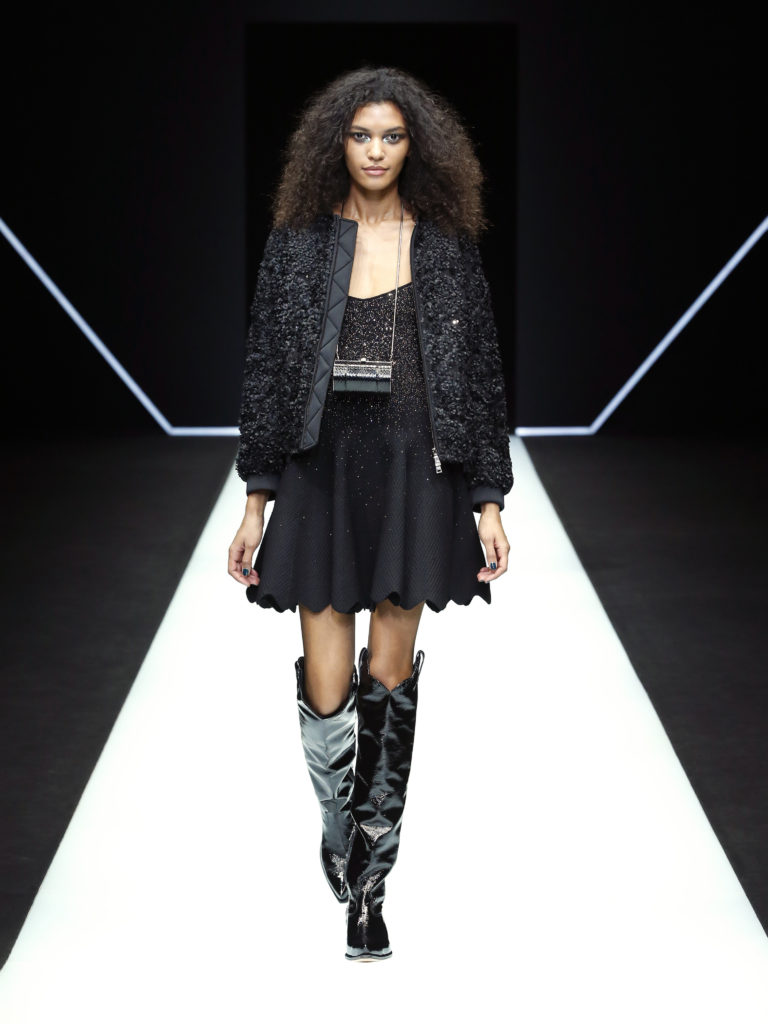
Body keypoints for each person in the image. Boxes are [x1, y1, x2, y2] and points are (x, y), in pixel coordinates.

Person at [228, 65, 513, 961]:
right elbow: (268, 371)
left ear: (414, 146)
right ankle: (340, 826)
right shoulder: (298, 243)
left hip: (412, 471)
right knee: (327, 689)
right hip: (320, 469)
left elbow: (480, 374)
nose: (377, 151)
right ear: (336, 145)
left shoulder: (446, 245)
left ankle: (370, 887)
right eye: (361, 136)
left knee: (389, 682)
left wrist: (488, 498)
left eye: (392, 136)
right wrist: (255, 500)